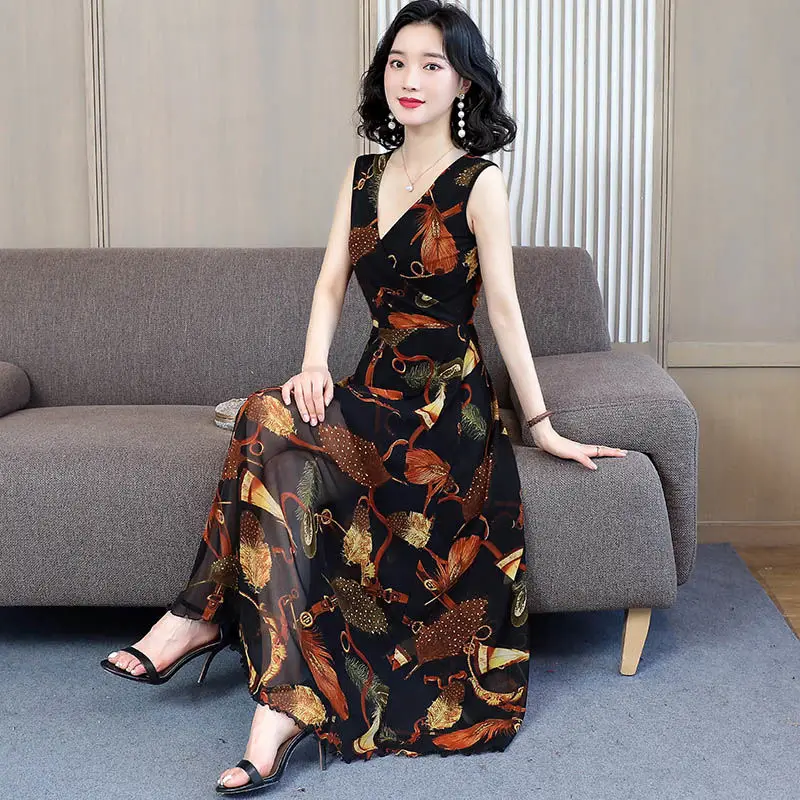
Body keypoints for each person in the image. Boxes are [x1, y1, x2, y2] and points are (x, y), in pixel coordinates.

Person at [100, 0, 627, 793]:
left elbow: (505, 314)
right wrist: (313, 366)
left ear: (463, 84)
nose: (410, 79)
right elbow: (328, 287)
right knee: (269, 424)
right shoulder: (362, 176)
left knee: (271, 435)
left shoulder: (479, 184)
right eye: (397, 63)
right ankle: (265, 692)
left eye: (431, 65)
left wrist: (542, 424)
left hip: (444, 414)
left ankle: (209, 634)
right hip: (372, 391)